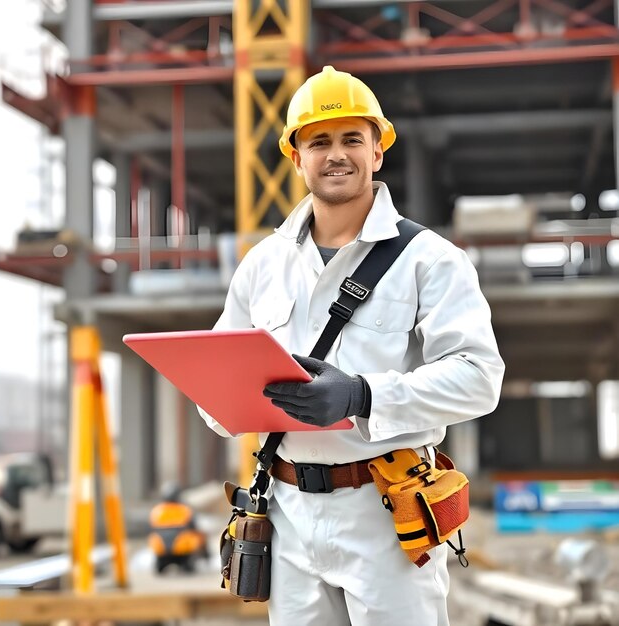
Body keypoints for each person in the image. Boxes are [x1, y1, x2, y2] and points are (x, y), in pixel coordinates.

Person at [198, 65, 504, 625]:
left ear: (377, 152)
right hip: (287, 512)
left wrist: (362, 396)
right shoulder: (263, 265)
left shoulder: (429, 260)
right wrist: (218, 397)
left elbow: (479, 378)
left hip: (386, 510)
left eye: (351, 140)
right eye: (319, 141)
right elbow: (218, 396)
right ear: (296, 158)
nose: (336, 154)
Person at [148, 481, 207, 573]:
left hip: (161, 548)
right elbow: (193, 526)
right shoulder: (184, 509)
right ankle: (206, 556)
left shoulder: (157, 510)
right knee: (199, 535)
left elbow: (152, 527)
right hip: (184, 549)